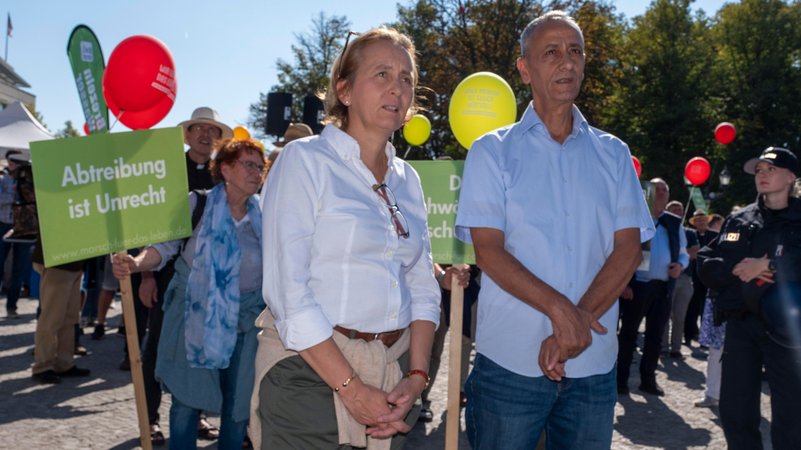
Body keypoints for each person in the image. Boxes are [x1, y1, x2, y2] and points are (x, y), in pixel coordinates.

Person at [454, 11, 653, 449]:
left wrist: (573, 325)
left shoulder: (614, 154)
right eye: (551, 52)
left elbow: (627, 248)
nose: (567, 61)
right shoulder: (492, 151)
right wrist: (563, 312)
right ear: (525, 69)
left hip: (593, 367)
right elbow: (488, 251)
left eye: (575, 51)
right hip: (509, 364)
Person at [252, 27, 441, 449]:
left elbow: (422, 285)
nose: (397, 88)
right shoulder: (305, 161)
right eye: (381, 74)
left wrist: (416, 376)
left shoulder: (408, 179)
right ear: (345, 90)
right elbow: (287, 292)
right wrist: (352, 390)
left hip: (391, 375)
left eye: (406, 78)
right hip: (307, 375)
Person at [112, 137, 266, 450]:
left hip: (247, 320)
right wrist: (137, 263)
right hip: (198, 315)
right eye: (248, 165)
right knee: (186, 400)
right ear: (225, 169)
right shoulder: (198, 204)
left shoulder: (264, 213)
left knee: (238, 403)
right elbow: (164, 247)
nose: (256, 172)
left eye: (260, 167)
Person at [136, 106, 233, 444]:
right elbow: (151, 225)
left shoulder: (223, 175)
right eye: (199, 129)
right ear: (188, 135)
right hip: (166, 275)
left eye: (212, 130)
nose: (206, 135)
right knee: (157, 347)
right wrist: (147, 277)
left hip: (209, 283)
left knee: (203, 349)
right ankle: (150, 418)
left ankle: (197, 414)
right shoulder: (168, 171)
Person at [697, 146, 801, 450]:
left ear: (791, 177)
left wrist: (769, 266)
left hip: (788, 331)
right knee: (736, 409)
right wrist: (735, 270)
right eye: (759, 170)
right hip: (741, 325)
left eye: (771, 169)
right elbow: (707, 259)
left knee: (792, 414)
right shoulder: (739, 219)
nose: (762, 175)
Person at [617, 178, 689, 396]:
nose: (660, 193)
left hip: (663, 287)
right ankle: (620, 381)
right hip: (637, 286)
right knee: (628, 334)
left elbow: (684, 253)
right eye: (656, 190)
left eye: (664, 190)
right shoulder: (635, 218)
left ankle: (648, 380)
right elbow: (620, 252)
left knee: (655, 336)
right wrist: (623, 283)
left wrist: (680, 265)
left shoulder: (674, 223)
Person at [661, 201, 699, 358]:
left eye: (680, 209)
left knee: (680, 316)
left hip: (685, 279)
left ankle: (676, 348)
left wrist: (678, 253)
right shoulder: (662, 228)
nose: (677, 212)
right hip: (666, 277)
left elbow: (694, 253)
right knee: (664, 315)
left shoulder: (690, 232)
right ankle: (663, 347)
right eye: (674, 210)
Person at [1, 150, 33, 318]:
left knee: (18, 270)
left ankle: (11, 307)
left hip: (24, 229)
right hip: (4, 225)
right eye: (10, 163)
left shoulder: (29, 180)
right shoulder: (3, 180)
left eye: (13, 163)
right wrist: (15, 196)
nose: (10, 166)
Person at [685, 209, 720, 345]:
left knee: (706, 307)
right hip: (693, 275)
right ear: (694, 223)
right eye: (698, 220)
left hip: (709, 276)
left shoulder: (715, 235)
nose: (701, 222)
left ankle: (705, 336)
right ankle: (689, 334)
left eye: (703, 219)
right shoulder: (690, 235)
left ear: (707, 221)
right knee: (692, 306)